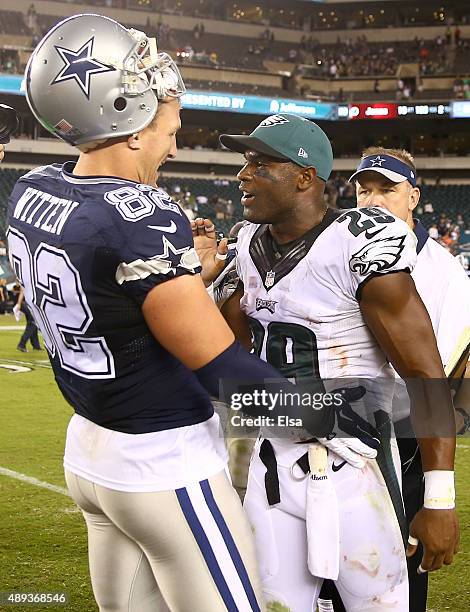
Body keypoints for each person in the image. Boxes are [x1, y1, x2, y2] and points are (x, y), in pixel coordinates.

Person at [6, 14, 316, 611]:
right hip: (161, 461)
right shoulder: (142, 217)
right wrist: (335, 410)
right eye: (169, 126)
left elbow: (107, 296)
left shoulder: (33, 189)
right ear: (129, 121)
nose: (174, 144)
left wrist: (184, 279)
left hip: (90, 451)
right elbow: (222, 369)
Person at [198, 114, 459, 611]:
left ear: (303, 176)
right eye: (244, 162)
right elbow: (226, 360)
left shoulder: (358, 241)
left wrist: (440, 498)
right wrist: (201, 277)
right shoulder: (249, 245)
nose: (242, 175)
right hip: (272, 465)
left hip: (356, 468)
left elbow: (425, 372)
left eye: (260, 163)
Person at [15, 286, 42, 352]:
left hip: (29, 304)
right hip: (28, 304)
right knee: (32, 324)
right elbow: (22, 291)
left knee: (34, 325)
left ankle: (36, 345)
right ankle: (21, 344)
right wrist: (19, 303)